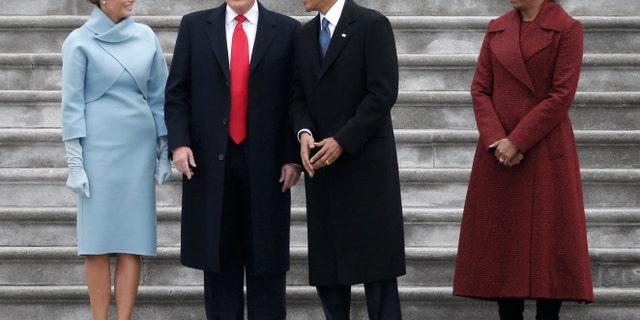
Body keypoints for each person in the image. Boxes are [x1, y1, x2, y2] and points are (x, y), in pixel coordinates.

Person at [452, 0, 594, 319]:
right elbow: (479, 90)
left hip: (545, 154)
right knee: (505, 256)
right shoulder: (497, 28)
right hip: (499, 157)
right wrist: (496, 140)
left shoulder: (568, 29)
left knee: (549, 255)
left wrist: (517, 140)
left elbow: (561, 95)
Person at [164, 0, 301, 318]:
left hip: (267, 166)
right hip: (210, 163)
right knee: (218, 265)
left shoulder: (288, 30)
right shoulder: (195, 26)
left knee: (266, 265)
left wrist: (292, 156)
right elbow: (177, 92)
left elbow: (297, 97)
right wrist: (179, 143)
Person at [289, 0, 406, 319]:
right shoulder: (304, 34)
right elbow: (298, 94)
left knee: (378, 275)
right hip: (323, 171)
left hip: (366, 168)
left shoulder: (371, 25)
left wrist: (343, 140)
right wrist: (303, 133)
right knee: (329, 276)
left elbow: (382, 92)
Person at [60, 0, 170, 319]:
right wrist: (76, 164)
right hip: (98, 153)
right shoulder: (78, 41)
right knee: (96, 243)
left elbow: (159, 97)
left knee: (132, 239)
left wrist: (163, 152)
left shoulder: (147, 37)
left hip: (138, 151)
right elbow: (71, 106)